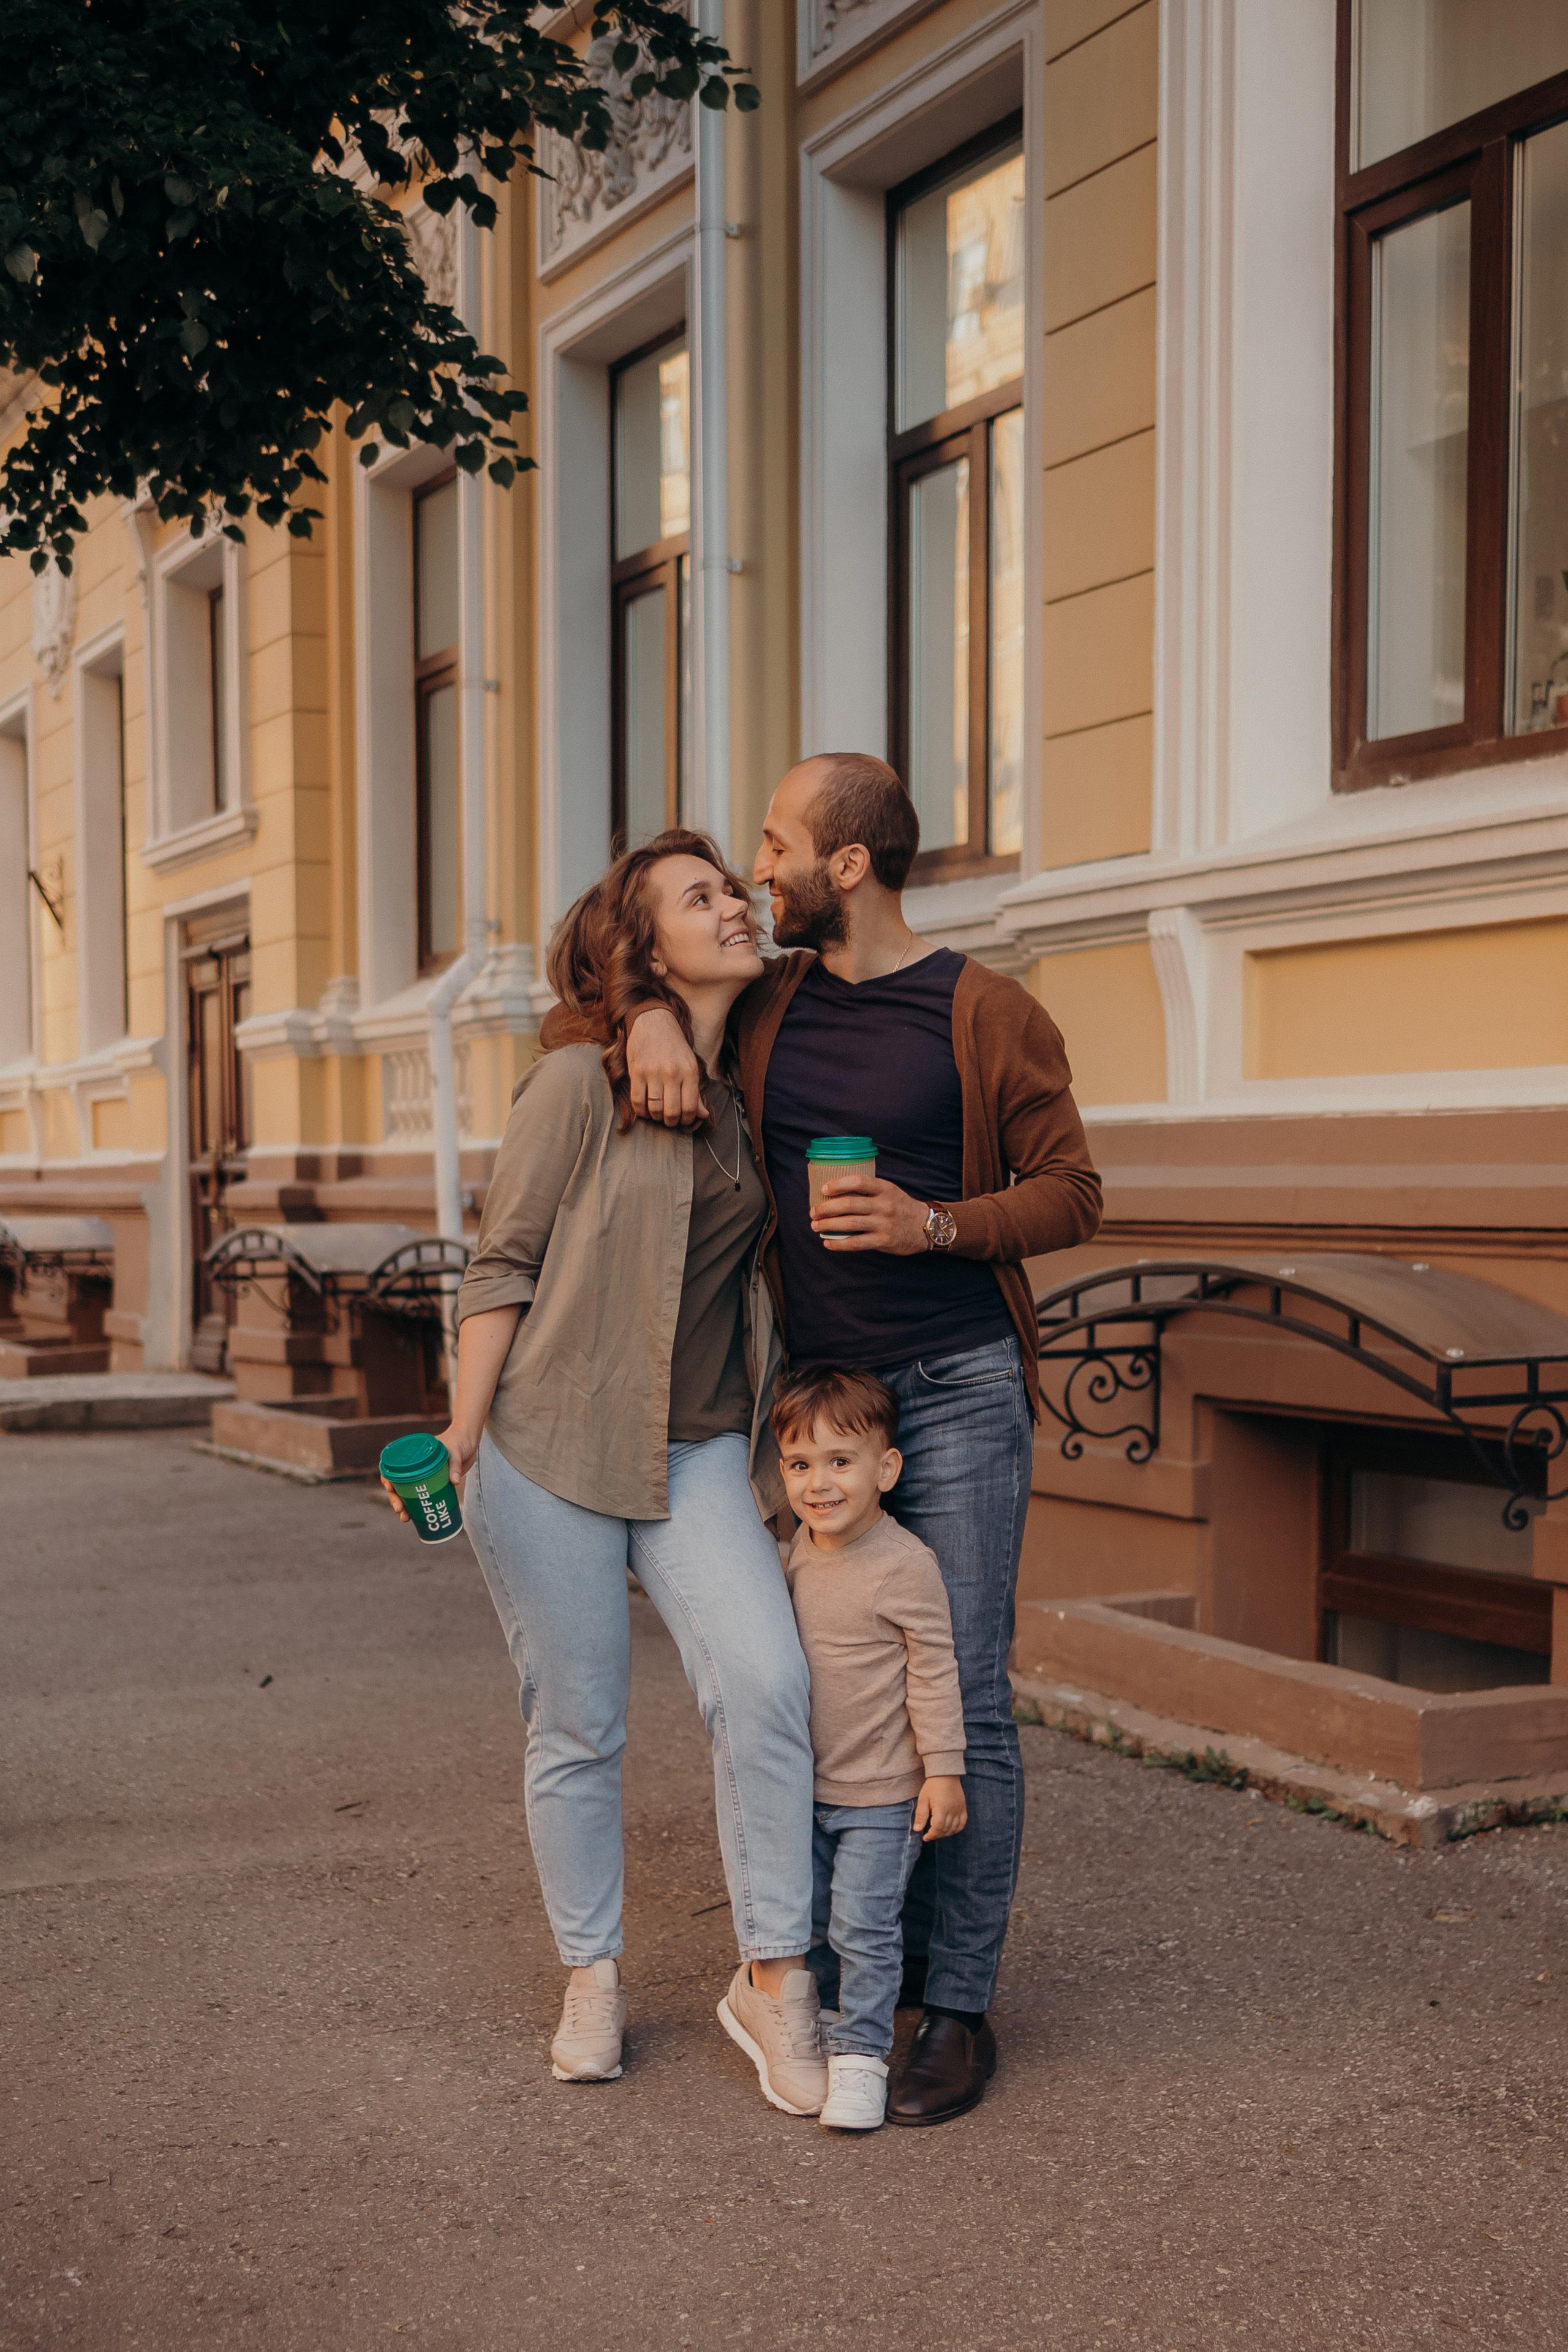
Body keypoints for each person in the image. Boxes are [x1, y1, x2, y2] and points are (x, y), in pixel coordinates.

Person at [601, 753, 1103, 2126]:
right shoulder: (767, 1005)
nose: (755, 871)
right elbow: (647, 986)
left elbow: (1072, 1193)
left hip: (953, 1390)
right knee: (819, 1683)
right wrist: (648, 1020)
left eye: (774, 845)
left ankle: (951, 2003)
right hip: (815, 1405)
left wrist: (933, 1223)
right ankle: (840, 1964)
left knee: (961, 1699)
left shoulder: (987, 1011)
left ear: (848, 866)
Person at [386, 829, 827, 2117]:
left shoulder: (738, 1087)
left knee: (765, 1682)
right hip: (549, 1441)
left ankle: (773, 1976)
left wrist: (663, 1020)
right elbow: (501, 1260)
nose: (735, 904)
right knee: (577, 1724)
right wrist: (464, 1433)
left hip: (693, 1448)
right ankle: (592, 1975)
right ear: (642, 947)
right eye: (701, 898)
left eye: (733, 887)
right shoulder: (577, 1082)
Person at [774, 1365, 967, 2133]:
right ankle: (821, 2029)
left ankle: (861, 2058)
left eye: (840, 1461)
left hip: (884, 1794)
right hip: (806, 1787)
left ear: (886, 1469)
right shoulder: (796, 1550)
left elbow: (934, 1671)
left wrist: (944, 1772)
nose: (818, 1482)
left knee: (864, 1925)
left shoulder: (904, 1564)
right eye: (799, 1463)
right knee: (814, 1920)